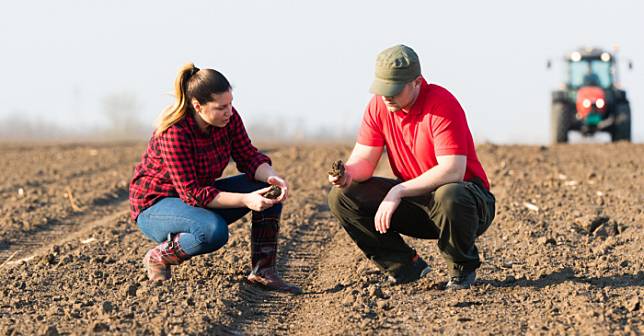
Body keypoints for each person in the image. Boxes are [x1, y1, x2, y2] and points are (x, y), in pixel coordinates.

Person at [327, 45, 495, 289]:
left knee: (450, 193)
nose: (386, 96)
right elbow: (364, 158)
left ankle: (462, 268)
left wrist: (398, 191)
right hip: (419, 201)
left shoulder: (441, 104)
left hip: (467, 205)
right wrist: (347, 174)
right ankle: (404, 266)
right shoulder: (379, 106)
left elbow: (453, 170)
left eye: (394, 90)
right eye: (382, 89)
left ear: (416, 82)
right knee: (342, 196)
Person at [129, 63, 300, 294]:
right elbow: (193, 194)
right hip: (156, 206)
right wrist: (245, 200)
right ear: (198, 106)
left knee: (267, 188)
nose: (229, 111)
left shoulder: (227, 120)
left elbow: (247, 155)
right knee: (213, 232)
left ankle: (263, 272)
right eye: (221, 107)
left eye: (230, 104)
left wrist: (272, 177)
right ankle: (159, 256)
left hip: (194, 199)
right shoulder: (175, 132)